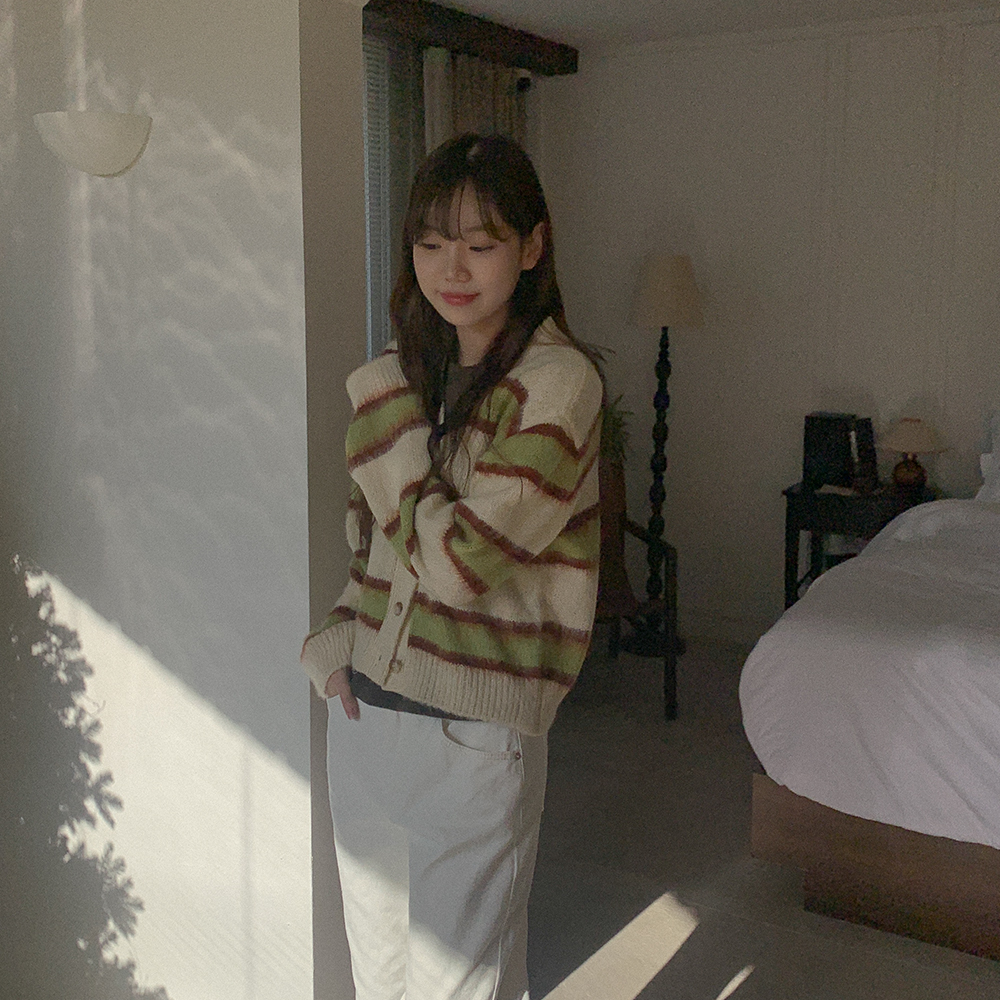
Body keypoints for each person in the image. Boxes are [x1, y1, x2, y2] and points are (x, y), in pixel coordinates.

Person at [300, 132, 604, 1000]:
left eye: (480, 243)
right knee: (377, 980)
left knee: (456, 988)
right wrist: (336, 641)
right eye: (431, 243)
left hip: (472, 736)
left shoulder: (558, 385)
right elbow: (376, 546)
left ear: (532, 246)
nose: (452, 268)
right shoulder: (413, 376)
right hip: (365, 720)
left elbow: (462, 565)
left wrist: (387, 424)